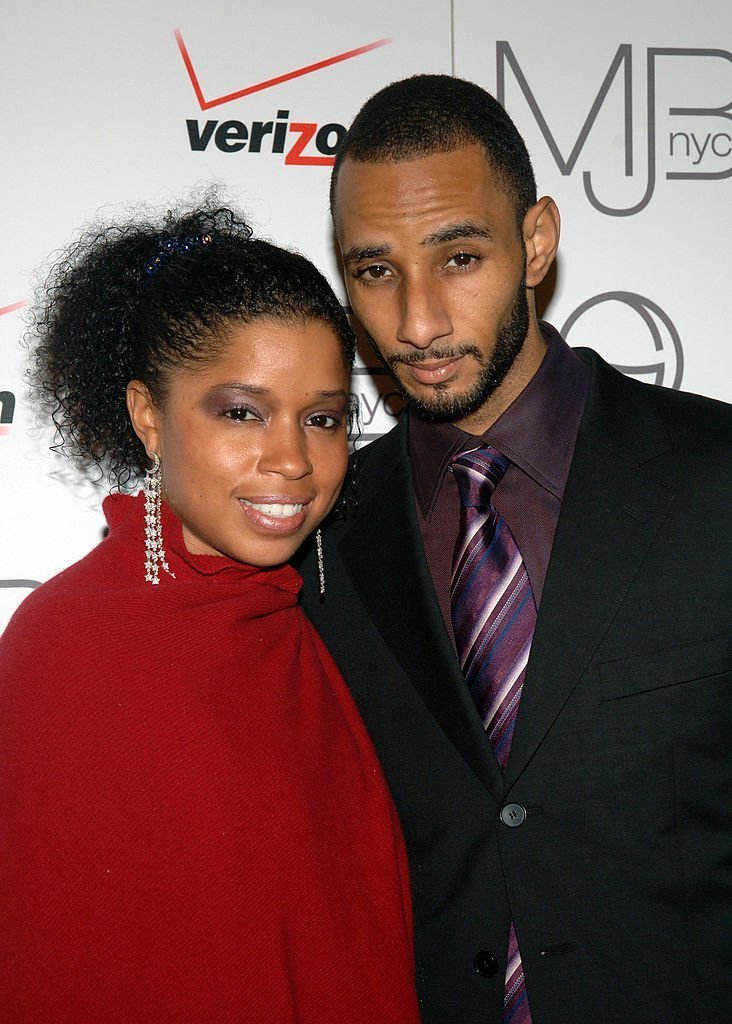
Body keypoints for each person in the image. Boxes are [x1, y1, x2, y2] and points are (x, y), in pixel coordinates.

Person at [295, 74, 732, 1024]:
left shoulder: (715, 477)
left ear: (536, 242)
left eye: (458, 257)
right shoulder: (320, 532)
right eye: (374, 270)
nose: (416, 323)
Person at [0, 205, 421, 1024]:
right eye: (241, 412)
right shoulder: (69, 651)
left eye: (324, 419)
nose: (294, 459)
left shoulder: (309, 638)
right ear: (148, 417)